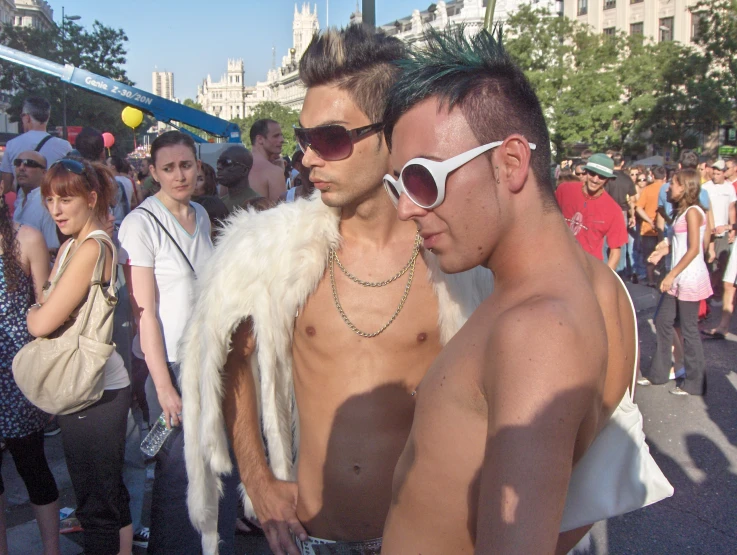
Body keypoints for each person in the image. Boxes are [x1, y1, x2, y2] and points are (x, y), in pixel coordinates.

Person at [178, 25, 492, 555]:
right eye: (302, 140)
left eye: (330, 139)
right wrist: (256, 478)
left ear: (391, 133)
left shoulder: (457, 263)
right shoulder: (278, 256)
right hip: (314, 537)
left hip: (427, 539)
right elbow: (229, 357)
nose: (306, 159)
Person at [379, 27, 667, 553]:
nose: (405, 208)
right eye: (395, 185)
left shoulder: (538, 327)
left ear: (510, 163)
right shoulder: (596, 288)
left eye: (422, 179)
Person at [118, 131, 239, 554]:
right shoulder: (140, 224)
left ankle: (214, 544)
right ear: (152, 172)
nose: (179, 175)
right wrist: (164, 387)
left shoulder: (202, 216)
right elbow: (143, 312)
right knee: (177, 473)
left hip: (208, 358)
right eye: (168, 168)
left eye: (185, 165)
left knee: (217, 462)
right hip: (167, 363)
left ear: (197, 167)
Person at [28, 158, 132, 554]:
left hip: (96, 388)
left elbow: (41, 320)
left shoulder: (91, 247)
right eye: (50, 199)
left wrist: (33, 313)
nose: (55, 209)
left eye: (66, 198)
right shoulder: (73, 244)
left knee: (95, 504)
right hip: (90, 382)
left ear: (91, 198)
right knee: (105, 490)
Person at [0, 195, 60, 555]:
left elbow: (47, 307)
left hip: (18, 374)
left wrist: (49, 381)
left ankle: (52, 550)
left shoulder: (26, 238)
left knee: (33, 465)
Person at [640, 169, 711, 395]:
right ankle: (661, 373)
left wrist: (670, 276)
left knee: (689, 330)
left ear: (685, 187)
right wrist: (661, 251)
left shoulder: (693, 212)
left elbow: (692, 249)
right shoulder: (682, 212)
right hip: (678, 275)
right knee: (662, 320)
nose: (669, 187)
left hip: (689, 277)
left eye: (674, 184)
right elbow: (677, 242)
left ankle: (694, 382)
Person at [555, 153, 629, 270]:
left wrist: (606, 280)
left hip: (587, 270)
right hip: (556, 262)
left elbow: (615, 252)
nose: (595, 179)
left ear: (608, 179)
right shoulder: (564, 190)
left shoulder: (614, 210)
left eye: (601, 177)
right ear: (586, 172)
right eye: (592, 173)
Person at [0, 97, 71, 194]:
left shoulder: (12, 144)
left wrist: (19, 185)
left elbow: (5, 186)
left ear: (27, 117)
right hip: (52, 205)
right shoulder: (64, 146)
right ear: (47, 117)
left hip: (23, 206)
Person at [11, 151, 60, 252]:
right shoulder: (21, 199)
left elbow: (52, 248)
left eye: (29, 163)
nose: (21, 168)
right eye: (17, 163)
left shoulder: (47, 201)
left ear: (44, 173)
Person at [702, 158, 737, 300]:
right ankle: (707, 293)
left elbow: (731, 209)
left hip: (723, 231)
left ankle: (716, 291)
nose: (715, 176)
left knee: (722, 264)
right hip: (709, 231)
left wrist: (732, 229)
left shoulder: (729, 188)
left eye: (718, 174)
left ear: (723, 174)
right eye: (714, 173)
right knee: (709, 262)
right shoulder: (706, 188)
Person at [605, 152, 637, 278]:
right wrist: (632, 215)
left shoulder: (608, 178)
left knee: (606, 243)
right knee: (620, 243)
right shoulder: (627, 178)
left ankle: (608, 270)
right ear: (622, 162)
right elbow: (632, 199)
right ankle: (620, 272)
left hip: (607, 211)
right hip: (622, 212)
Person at [216, 146, 270, 212]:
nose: (219, 167)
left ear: (244, 170)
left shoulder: (255, 205)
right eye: (219, 162)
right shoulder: (220, 203)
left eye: (227, 162)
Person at [248, 119, 287, 202]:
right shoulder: (274, 172)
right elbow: (280, 211)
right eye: (276, 136)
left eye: (281, 135)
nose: (282, 140)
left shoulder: (232, 167)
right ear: (260, 139)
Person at [193, 162, 229, 232]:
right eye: (193, 178)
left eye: (200, 179)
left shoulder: (216, 206)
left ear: (208, 181)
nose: (195, 183)